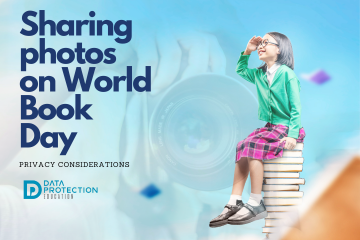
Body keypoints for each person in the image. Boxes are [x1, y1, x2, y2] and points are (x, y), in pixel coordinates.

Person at [209, 32, 306, 228]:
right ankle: (234, 201)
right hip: (270, 127)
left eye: (266, 43)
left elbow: (296, 107)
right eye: (260, 43)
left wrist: (292, 135)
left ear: (279, 49)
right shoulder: (260, 75)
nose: (261, 46)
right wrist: (247, 51)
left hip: (285, 126)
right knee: (242, 145)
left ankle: (255, 201)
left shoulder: (287, 74)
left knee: (254, 145)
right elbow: (241, 70)